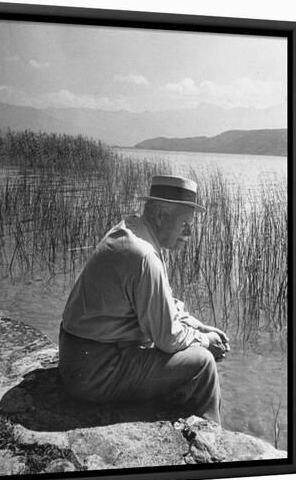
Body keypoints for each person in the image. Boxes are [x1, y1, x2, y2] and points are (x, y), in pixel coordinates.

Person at [58, 175, 229, 424]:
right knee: (203, 364)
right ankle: (213, 441)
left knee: (179, 347)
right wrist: (205, 341)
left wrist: (197, 325)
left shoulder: (130, 230)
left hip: (76, 359)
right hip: (93, 374)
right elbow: (168, 339)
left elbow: (158, 304)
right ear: (160, 214)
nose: (190, 232)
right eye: (184, 223)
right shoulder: (145, 256)